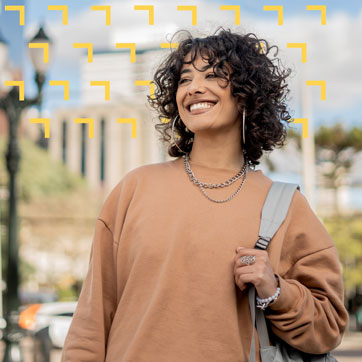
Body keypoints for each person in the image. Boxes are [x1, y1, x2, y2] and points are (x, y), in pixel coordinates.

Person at [61, 27, 348, 362]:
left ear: (246, 93)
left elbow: (328, 326)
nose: (194, 87)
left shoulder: (285, 206)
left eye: (213, 75)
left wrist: (276, 291)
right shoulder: (134, 189)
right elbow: (91, 320)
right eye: (184, 79)